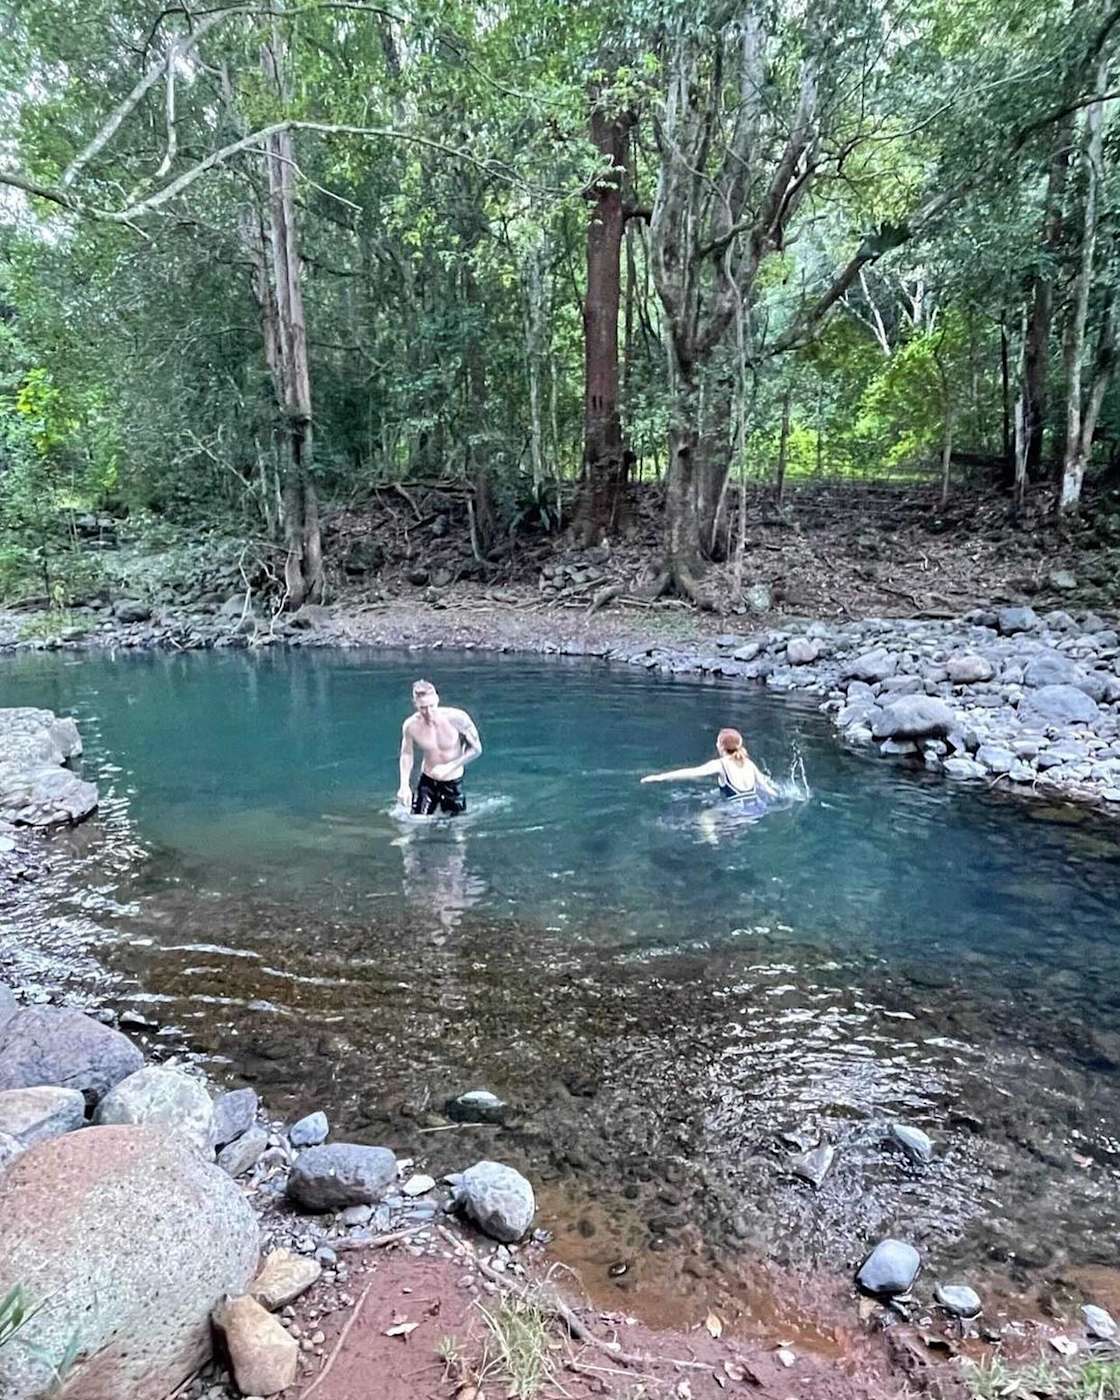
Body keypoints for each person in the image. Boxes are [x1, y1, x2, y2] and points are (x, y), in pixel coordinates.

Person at [398, 679, 482, 816]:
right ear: (415, 704)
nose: (428, 712)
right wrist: (404, 785)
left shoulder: (458, 718)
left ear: (437, 699)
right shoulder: (411, 725)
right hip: (428, 780)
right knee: (416, 820)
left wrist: (450, 766)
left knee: (457, 828)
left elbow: (477, 749)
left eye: (431, 706)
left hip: (452, 781)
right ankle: (406, 838)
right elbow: (407, 754)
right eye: (423, 708)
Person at [640, 727, 778, 800]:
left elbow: (692, 772)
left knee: (705, 818)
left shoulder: (720, 764)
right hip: (757, 808)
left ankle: (713, 842)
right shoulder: (748, 763)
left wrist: (659, 777)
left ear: (720, 746)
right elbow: (767, 788)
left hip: (737, 812)